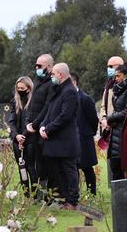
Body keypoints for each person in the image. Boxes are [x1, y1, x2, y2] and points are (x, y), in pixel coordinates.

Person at [39, 63, 79, 209]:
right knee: (58, 171)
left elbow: (65, 116)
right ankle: (64, 198)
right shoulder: (58, 90)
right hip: (55, 139)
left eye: (53, 74)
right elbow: (50, 111)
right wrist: (43, 125)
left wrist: (48, 128)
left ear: (60, 75)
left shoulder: (69, 91)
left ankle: (72, 200)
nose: (51, 77)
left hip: (65, 139)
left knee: (68, 170)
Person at [102, 63, 127, 181]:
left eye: (118, 76)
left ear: (126, 76)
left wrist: (110, 118)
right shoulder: (117, 89)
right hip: (116, 130)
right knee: (115, 165)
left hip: (124, 130)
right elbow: (117, 109)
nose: (115, 79)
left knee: (126, 166)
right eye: (115, 76)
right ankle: (118, 197)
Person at [25, 54, 56, 189]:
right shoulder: (38, 82)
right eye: (36, 66)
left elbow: (47, 107)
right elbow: (31, 105)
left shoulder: (51, 84)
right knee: (38, 164)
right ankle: (41, 194)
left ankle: (50, 195)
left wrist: (35, 124)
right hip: (34, 130)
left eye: (40, 66)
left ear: (49, 67)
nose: (37, 68)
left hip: (44, 129)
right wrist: (28, 121)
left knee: (47, 163)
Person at [72, 72, 98, 195]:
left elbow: (93, 119)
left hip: (84, 137)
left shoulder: (85, 98)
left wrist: (89, 132)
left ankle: (91, 193)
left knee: (87, 168)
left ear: (74, 82)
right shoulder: (66, 98)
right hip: (71, 138)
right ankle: (75, 194)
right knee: (73, 168)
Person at [7, 76, 35, 191]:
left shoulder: (33, 102)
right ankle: (26, 193)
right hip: (16, 138)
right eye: (18, 88)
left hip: (30, 139)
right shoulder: (15, 102)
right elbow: (12, 121)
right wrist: (16, 135)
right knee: (21, 167)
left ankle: (35, 194)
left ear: (28, 88)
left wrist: (23, 136)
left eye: (22, 88)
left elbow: (31, 121)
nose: (19, 90)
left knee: (31, 167)